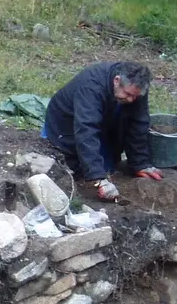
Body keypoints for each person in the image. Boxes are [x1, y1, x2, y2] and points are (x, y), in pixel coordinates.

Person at [41, 61, 163, 201]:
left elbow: (138, 123)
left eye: (135, 96)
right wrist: (99, 178)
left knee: (110, 164)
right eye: (128, 94)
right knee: (79, 168)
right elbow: (86, 130)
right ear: (116, 81)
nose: (131, 99)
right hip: (65, 123)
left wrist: (140, 163)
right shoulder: (91, 86)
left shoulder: (135, 88)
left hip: (103, 116)